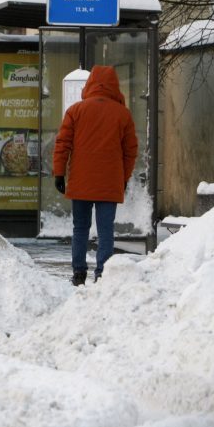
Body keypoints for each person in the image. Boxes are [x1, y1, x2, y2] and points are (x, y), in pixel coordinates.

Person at [53, 65, 138, 286]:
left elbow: (63, 144)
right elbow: (130, 151)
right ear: (115, 86)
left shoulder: (75, 111)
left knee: (80, 228)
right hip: (109, 183)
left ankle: (79, 272)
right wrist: (124, 177)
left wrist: (59, 173)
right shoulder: (123, 115)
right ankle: (102, 273)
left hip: (81, 182)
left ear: (90, 84)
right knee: (106, 230)